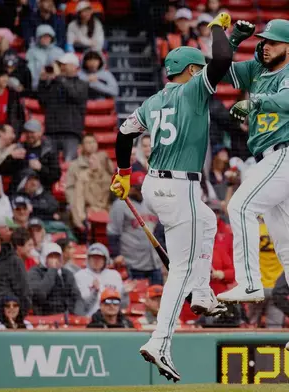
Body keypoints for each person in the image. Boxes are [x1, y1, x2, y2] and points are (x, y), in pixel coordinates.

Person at [108, 13, 236, 381]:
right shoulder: (194, 88)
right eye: (200, 68)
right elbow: (224, 60)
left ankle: (201, 292)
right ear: (193, 70)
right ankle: (160, 340)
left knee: (210, 221)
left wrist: (123, 172)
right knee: (179, 267)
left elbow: (122, 133)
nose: (204, 72)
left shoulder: (152, 101)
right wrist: (217, 29)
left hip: (155, 184)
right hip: (179, 186)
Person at [218, 18, 289, 350]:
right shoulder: (257, 69)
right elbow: (219, 72)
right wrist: (231, 40)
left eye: (273, 41)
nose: (265, 45)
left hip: (285, 155)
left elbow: (288, 101)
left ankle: (250, 282)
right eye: (263, 40)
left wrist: (256, 102)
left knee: (239, 206)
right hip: (273, 159)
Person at [107, 171, 163, 285]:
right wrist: (116, 254)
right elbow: (113, 232)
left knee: (158, 297)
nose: (140, 191)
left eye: (142, 188)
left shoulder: (152, 203)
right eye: (137, 188)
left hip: (154, 261)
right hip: (132, 262)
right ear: (130, 187)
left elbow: (160, 231)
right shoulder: (120, 204)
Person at [38, 52, 89, 161]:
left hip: (71, 131)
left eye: (64, 64)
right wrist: (42, 82)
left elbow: (74, 95)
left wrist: (59, 77)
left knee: (70, 166)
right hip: (51, 131)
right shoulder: (54, 83)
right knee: (47, 164)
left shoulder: (82, 84)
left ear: (75, 66)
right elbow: (42, 102)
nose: (61, 67)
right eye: (60, 64)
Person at [0, 119, 61, 194]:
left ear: (40, 133)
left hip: (42, 194)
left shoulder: (49, 151)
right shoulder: (19, 148)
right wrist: (11, 158)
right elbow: (3, 170)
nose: (29, 135)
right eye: (27, 132)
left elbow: (55, 176)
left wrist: (41, 168)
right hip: (18, 192)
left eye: (32, 132)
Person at [28, 242, 80, 315]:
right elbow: (40, 294)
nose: (55, 260)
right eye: (51, 256)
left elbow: (76, 297)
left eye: (57, 256)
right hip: (43, 315)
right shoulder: (34, 272)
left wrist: (72, 313)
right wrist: (52, 270)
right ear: (44, 257)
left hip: (66, 316)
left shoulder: (67, 274)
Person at [71, 151, 112, 231]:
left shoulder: (109, 178)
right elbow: (79, 199)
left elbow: (111, 202)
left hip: (106, 212)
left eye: (93, 159)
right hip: (89, 211)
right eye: (90, 158)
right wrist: (81, 218)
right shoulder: (83, 176)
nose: (90, 161)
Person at [25, 24, 65, 91]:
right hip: (38, 83)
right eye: (43, 36)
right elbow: (29, 70)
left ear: (52, 38)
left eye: (48, 36)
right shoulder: (31, 52)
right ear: (38, 38)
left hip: (58, 84)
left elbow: (64, 69)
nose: (46, 38)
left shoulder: (59, 51)